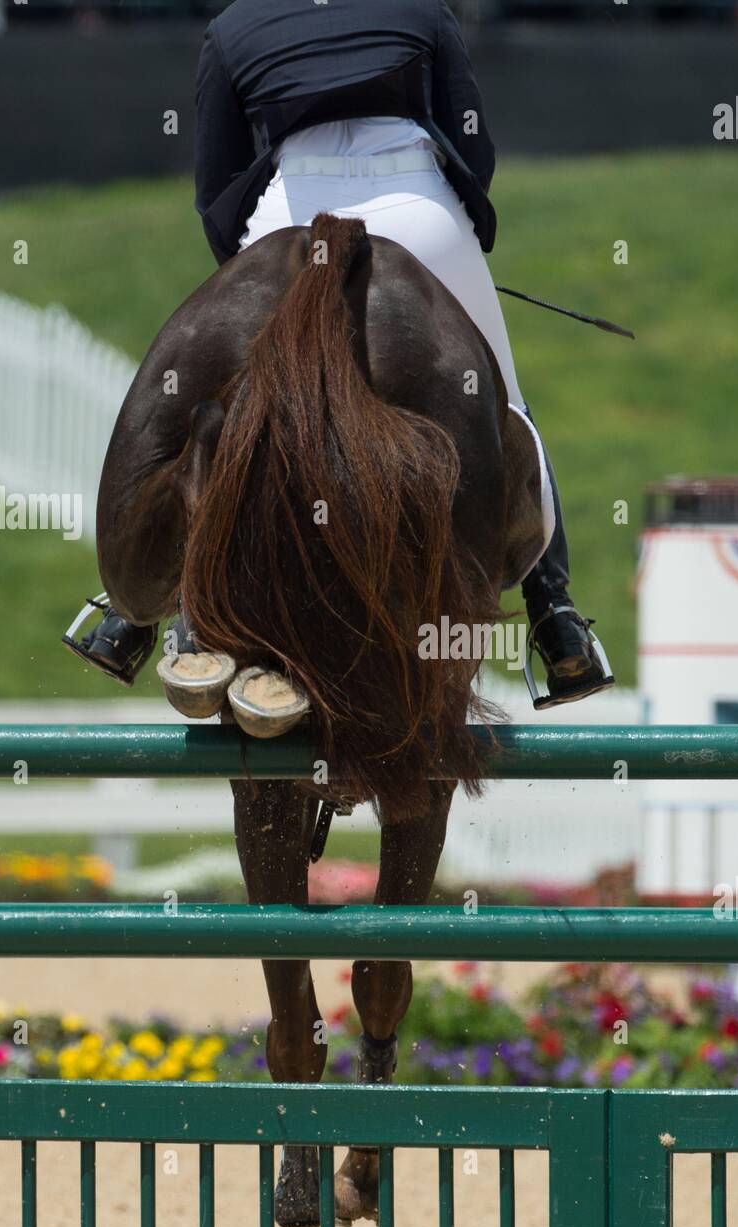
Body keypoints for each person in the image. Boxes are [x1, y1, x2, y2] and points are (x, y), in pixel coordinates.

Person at [66, 0, 613, 708]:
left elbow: (215, 185)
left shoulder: (233, 27)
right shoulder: (423, 10)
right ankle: (556, 619)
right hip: (420, 208)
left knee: (215, 392)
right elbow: (473, 143)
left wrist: (250, 276)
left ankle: (134, 613)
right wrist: (464, 234)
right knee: (504, 402)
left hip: (290, 210)